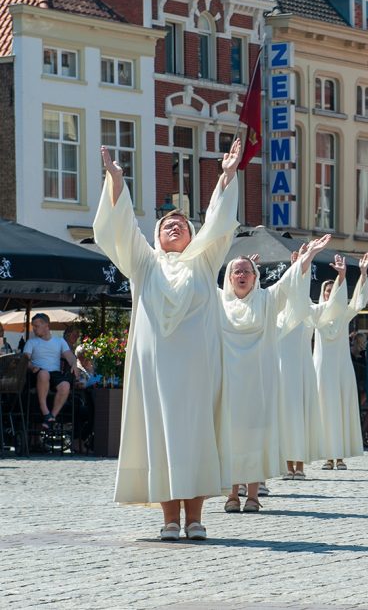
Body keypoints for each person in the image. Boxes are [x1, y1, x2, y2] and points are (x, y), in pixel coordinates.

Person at [93, 138, 242, 541]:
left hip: (197, 372)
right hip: (156, 372)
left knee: (195, 438)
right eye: (166, 225)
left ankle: (195, 518)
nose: (174, 226)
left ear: (193, 236)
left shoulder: (204, 261)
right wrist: (116, 181)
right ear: (156, 237)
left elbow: (219, 223)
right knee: (160, 438)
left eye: (181, 225)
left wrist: (227, 177)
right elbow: (120, 229)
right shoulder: (144, 263)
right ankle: (170, 520)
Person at [219, 240, 324, 515]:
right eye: (237, 271)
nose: (242, 275)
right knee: (231, 438)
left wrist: (307, 257)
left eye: (247, 271)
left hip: (259, 384)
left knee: (256, 437)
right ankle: (232, 493)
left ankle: (253, 495)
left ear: (255, 277)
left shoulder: (266, 300)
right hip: (229, 383)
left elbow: (289, 283)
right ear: (229, 277)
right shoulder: (218, 302)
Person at [277, 246, 342, 481]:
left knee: (301, 418)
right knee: (285, 418)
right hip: (282, 373)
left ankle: (300, 466)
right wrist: (295, 268)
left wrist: (341, 278)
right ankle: (287, 465)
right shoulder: (277, 314)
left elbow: (334, 305)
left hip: (303, 371)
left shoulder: (309, 311)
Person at [310, 254, 368, 470]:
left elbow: (359, 301)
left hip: (341, 367)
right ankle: (327, 456)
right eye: (327, 291)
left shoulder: (344, 314)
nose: (330, 294)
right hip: (322, 368)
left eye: (333, 290)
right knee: (325, 410)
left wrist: (362, 274)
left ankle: (340, 456)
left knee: (341, 409)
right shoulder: (315, 313)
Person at [23, 313, 80, 429]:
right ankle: (45, 411)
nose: (34, 329)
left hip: (54, 373)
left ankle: (51, 417)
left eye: (36, 326)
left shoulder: (59, 341)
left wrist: (74, 364)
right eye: (33, 326)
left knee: (65, 385)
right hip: (37, 373)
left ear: (46, 325)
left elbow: (70, 356)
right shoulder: (31, 342)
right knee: (44, 374)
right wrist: (32, 367)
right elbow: (25, 360)